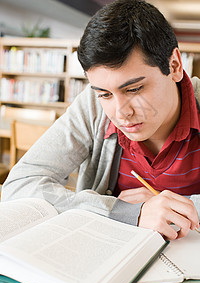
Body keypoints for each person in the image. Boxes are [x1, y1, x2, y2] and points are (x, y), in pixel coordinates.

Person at [2, 0, 200, 240]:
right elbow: (19, 186)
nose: (120, 113)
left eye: (134, 89)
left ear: (175, 65)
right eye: (105, 94)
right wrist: (123, 211)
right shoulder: (92, 106)